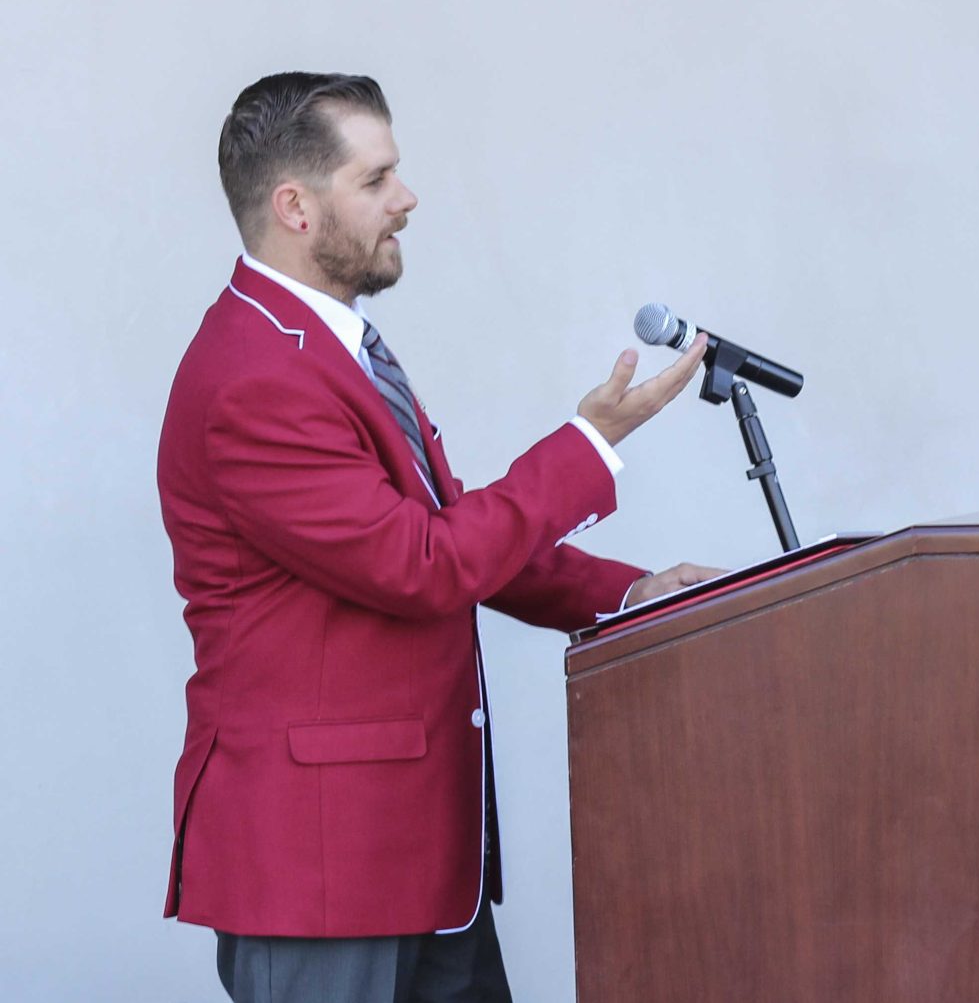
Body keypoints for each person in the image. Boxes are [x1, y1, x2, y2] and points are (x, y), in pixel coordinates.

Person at [157, 71, 717, 1003]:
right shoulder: (254, 378)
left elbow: (441, 534)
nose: (406, 200)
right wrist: (588, 445)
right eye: (376, 180)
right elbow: (424, 565)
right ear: (295, 206)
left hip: (416, 855)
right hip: (321, 872)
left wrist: (630, 593)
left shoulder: (334, 345)